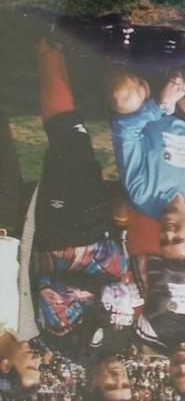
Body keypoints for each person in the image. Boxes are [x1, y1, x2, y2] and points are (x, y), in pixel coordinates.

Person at [26, 38, 141, 362]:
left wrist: (100, 293)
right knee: (77, 144)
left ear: (93, 386)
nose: (118, 379)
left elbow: (49, 287)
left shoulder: (67, 343)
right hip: (101, 232)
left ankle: (49, 46)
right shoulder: (122, 344)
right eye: (123, 386)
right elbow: (123, 291)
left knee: (70, 138)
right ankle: (67, 51)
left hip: (65, 235)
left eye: (110, 387)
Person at [108, 67, 185, 261]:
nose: (168, 234)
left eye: (164, 241)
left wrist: (160, 104)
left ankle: (124, 58)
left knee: (124, 95)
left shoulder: (142, 194)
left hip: (147, 102)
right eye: (177, 239)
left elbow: (125, 130)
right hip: (183, 111)